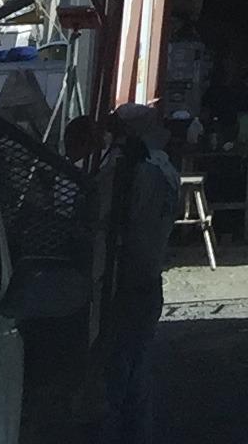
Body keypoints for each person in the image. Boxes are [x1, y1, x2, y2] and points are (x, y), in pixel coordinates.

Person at [88, 99, 181, 444]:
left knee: (120, 368)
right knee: (136, 365)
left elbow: (107, 220)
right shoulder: (164, 169)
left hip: (125, 281)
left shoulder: (132, 172)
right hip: (146, 278)